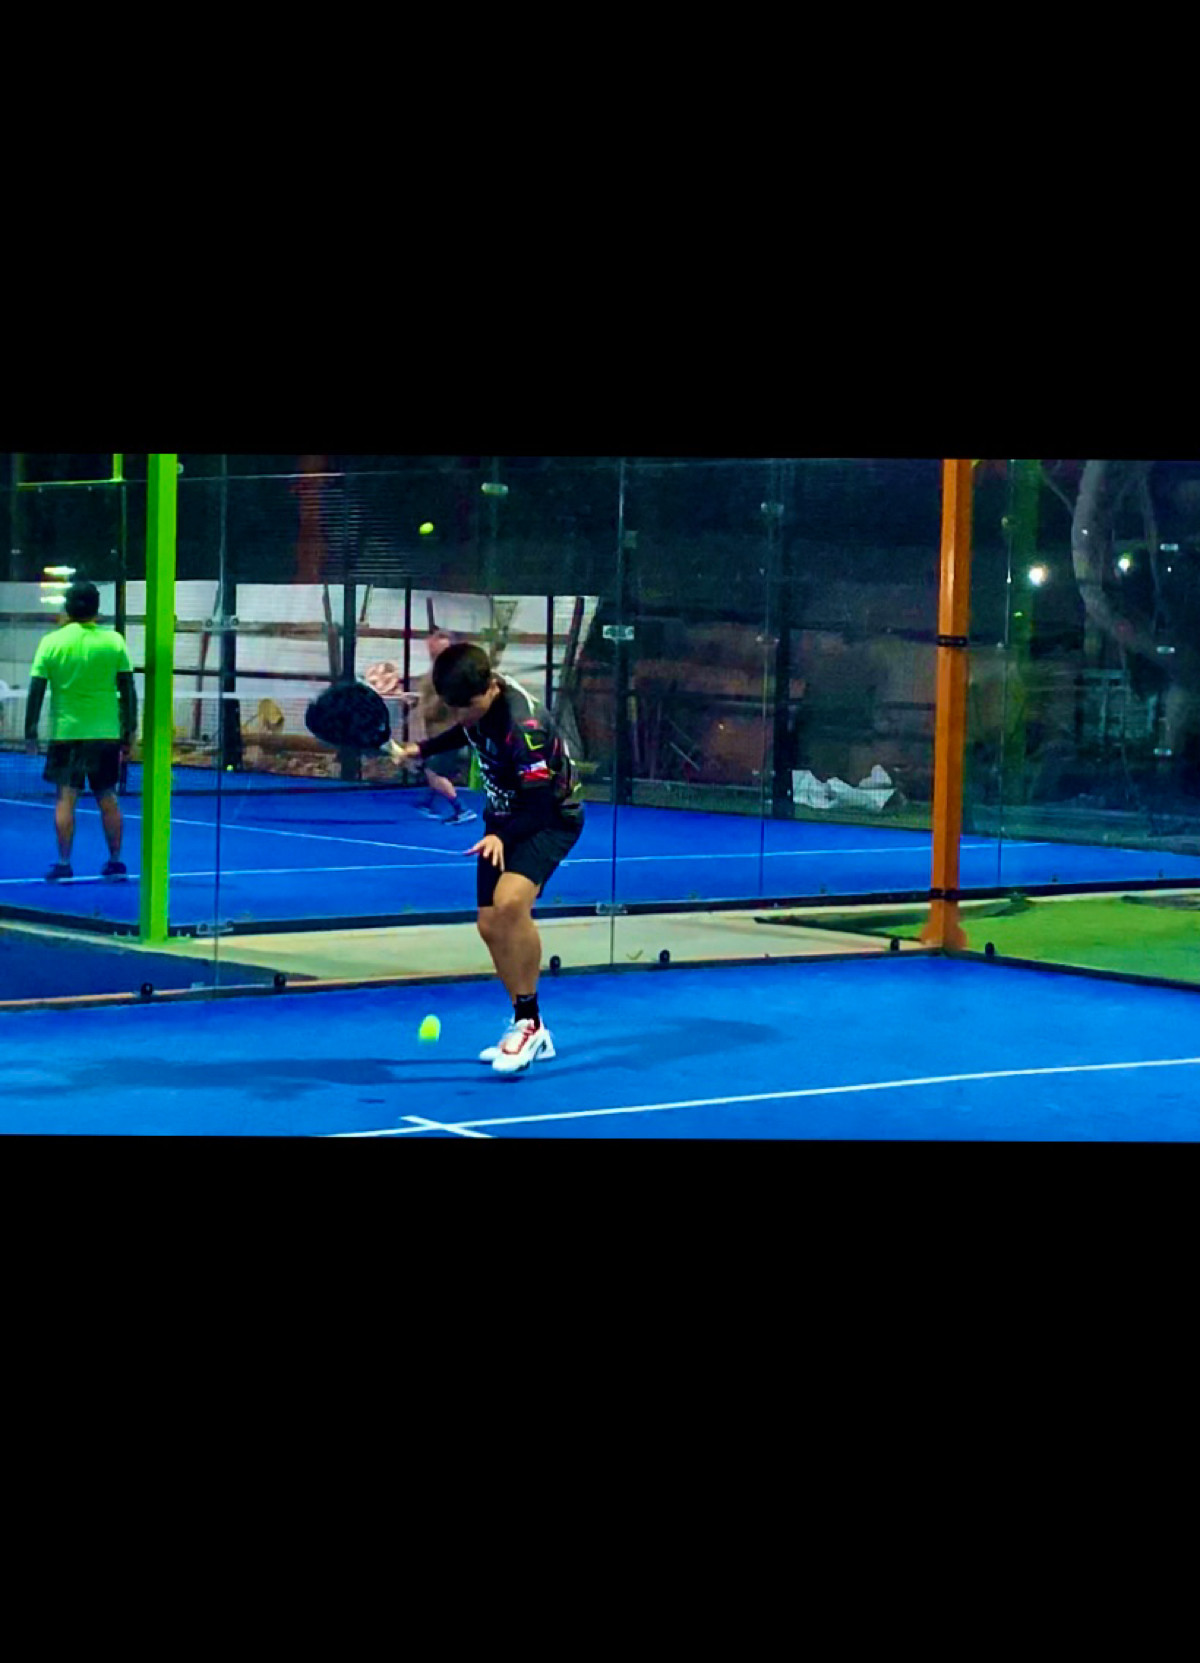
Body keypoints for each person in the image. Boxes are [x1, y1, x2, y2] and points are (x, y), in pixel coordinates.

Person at [390, 642, 583, 1074]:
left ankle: (528, 1025)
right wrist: (421, 749)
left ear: (490, 688)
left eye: (468, 707)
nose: (462, 715)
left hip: (552, 818)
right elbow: (467, 731)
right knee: (489, 924)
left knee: (511, 903)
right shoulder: (475, 709)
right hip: (505, 818)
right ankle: (528, 1023)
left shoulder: (524, 725)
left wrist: (500, 835)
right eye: (454, 708)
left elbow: (539, 805)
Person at [23, 579, 138, 882]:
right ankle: (115, 861)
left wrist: (30, 731)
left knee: (65, 799)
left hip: (66, 734)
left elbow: (36, 690)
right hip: (105, 735)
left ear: (67, 607)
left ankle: (64, 863)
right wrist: (129, 731)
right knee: (108, 797)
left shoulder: (51, 643)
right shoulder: (114, 642)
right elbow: (128, 690)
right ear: (97, 608)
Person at [412, 630, 476, 826]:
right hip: (437, 732)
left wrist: (426, 708)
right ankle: (427, 802)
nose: (433, 649)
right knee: (434, 770)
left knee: (434, 773)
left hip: (447, 733)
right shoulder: (436, 671)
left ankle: (461, 809)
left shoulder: (448, 674)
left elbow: (441, 705)